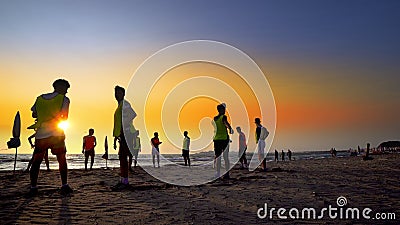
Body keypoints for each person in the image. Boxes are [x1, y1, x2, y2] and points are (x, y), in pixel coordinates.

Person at [25, 79, 73, 197]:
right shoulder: (64, 99)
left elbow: (34, 114)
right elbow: (65, 117)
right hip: (56, 134)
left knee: (36, 161)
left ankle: (33, 187)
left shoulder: (40, 98)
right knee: (62, 159)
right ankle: (64, 185)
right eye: (66, 88)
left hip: (41, 134)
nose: (67, 91)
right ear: (60, 87)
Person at [112, 85, 137, 191]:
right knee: (122, 157)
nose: (117, 95)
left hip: (127, 133)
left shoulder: (125, 104)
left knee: (124, 157)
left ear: (123, 94)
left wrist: (124, 126)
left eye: (119, 93)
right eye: (116, 93)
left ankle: (125, 181)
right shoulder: (120, 105)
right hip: (122, 134)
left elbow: (133, 114)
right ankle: (122, 180)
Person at [212, 103, 233, 179]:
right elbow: (225, 123)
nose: (225, 111)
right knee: (225, 157)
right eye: (223, 109)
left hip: (216, 139)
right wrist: (230, 128)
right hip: (224, 139)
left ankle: (218, 173)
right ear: (220, 110)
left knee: (218, 157)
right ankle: (227, 174)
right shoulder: (223, 117)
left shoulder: (215, 118)